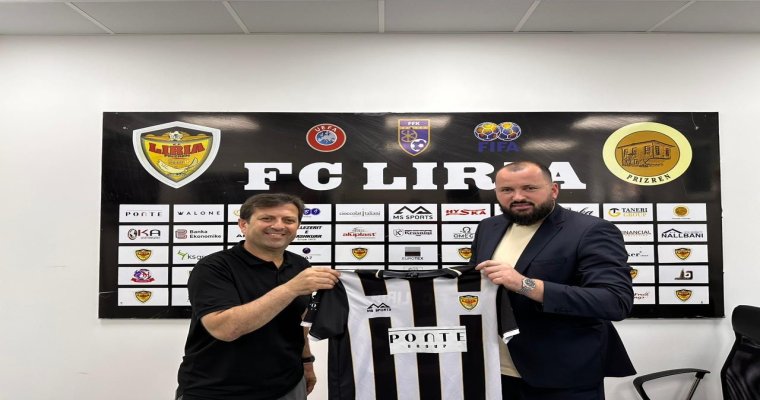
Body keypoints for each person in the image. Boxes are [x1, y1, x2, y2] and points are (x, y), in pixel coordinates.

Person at [473, 161, 636, 400]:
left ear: (554, 190)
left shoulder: (591, 230)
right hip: (495, 373)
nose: (518, 197)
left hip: (563, 376)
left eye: (529, 188)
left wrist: (524, 284)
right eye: (507, 190)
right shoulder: (488, 227)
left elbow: (614, 301)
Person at [176, 193, 341, 400]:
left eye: (288, 220)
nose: (279, 226)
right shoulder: (213, 267)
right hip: (216, 389)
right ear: (243, 225)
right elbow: (224, 329)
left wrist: (306, 361)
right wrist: (291, 289)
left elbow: (300, 321)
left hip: (288, 386)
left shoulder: (299, 265)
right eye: (267, 218)